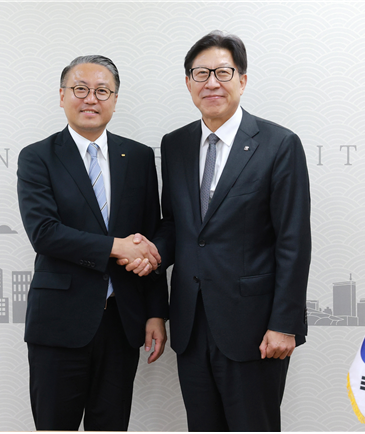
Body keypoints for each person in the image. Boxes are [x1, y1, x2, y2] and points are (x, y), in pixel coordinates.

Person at [128, 31, 311, 431]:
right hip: (191, 325)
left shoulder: (279, 144)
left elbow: (293, 242)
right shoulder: (175, 144)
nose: (212, 82)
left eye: (223, 72)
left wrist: (284, 323)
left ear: (242, 80)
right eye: (201, 73)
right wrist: (149, 253)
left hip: (255, 328)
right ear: (188, 83)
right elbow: (176, 224)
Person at [17, 55, 169, 431]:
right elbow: (44, 233)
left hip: (122, 321)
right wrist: (116, 247)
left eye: (102, 91)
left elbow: (149, 235)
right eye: (80, 89)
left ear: (114, 99)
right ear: (62, 96)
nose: (90, 99)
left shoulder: (138, 156)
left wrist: (155, 313)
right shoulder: (38, 157)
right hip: (59, 324)